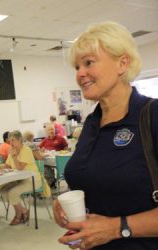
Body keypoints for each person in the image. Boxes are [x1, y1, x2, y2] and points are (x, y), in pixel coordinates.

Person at [53, 21, 158, 250]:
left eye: (88, 63)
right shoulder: (91, 124)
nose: (80, 74)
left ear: (122, 63)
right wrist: (64, 203)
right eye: (77, 67)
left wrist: (115, 228)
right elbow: (98, 182)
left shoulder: (152, 116)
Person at [0, 130, 42, 225]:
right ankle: (24, 211)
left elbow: (20, 168)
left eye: (13, 140)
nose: (10, 143)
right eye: (10, 140)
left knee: (13, 192)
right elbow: (8, 165)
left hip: (32, 180)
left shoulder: (26, 150)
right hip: (19, 179)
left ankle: (18, 215)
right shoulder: (12, 150)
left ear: (20, 140)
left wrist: (14, 156)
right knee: (3, 190)